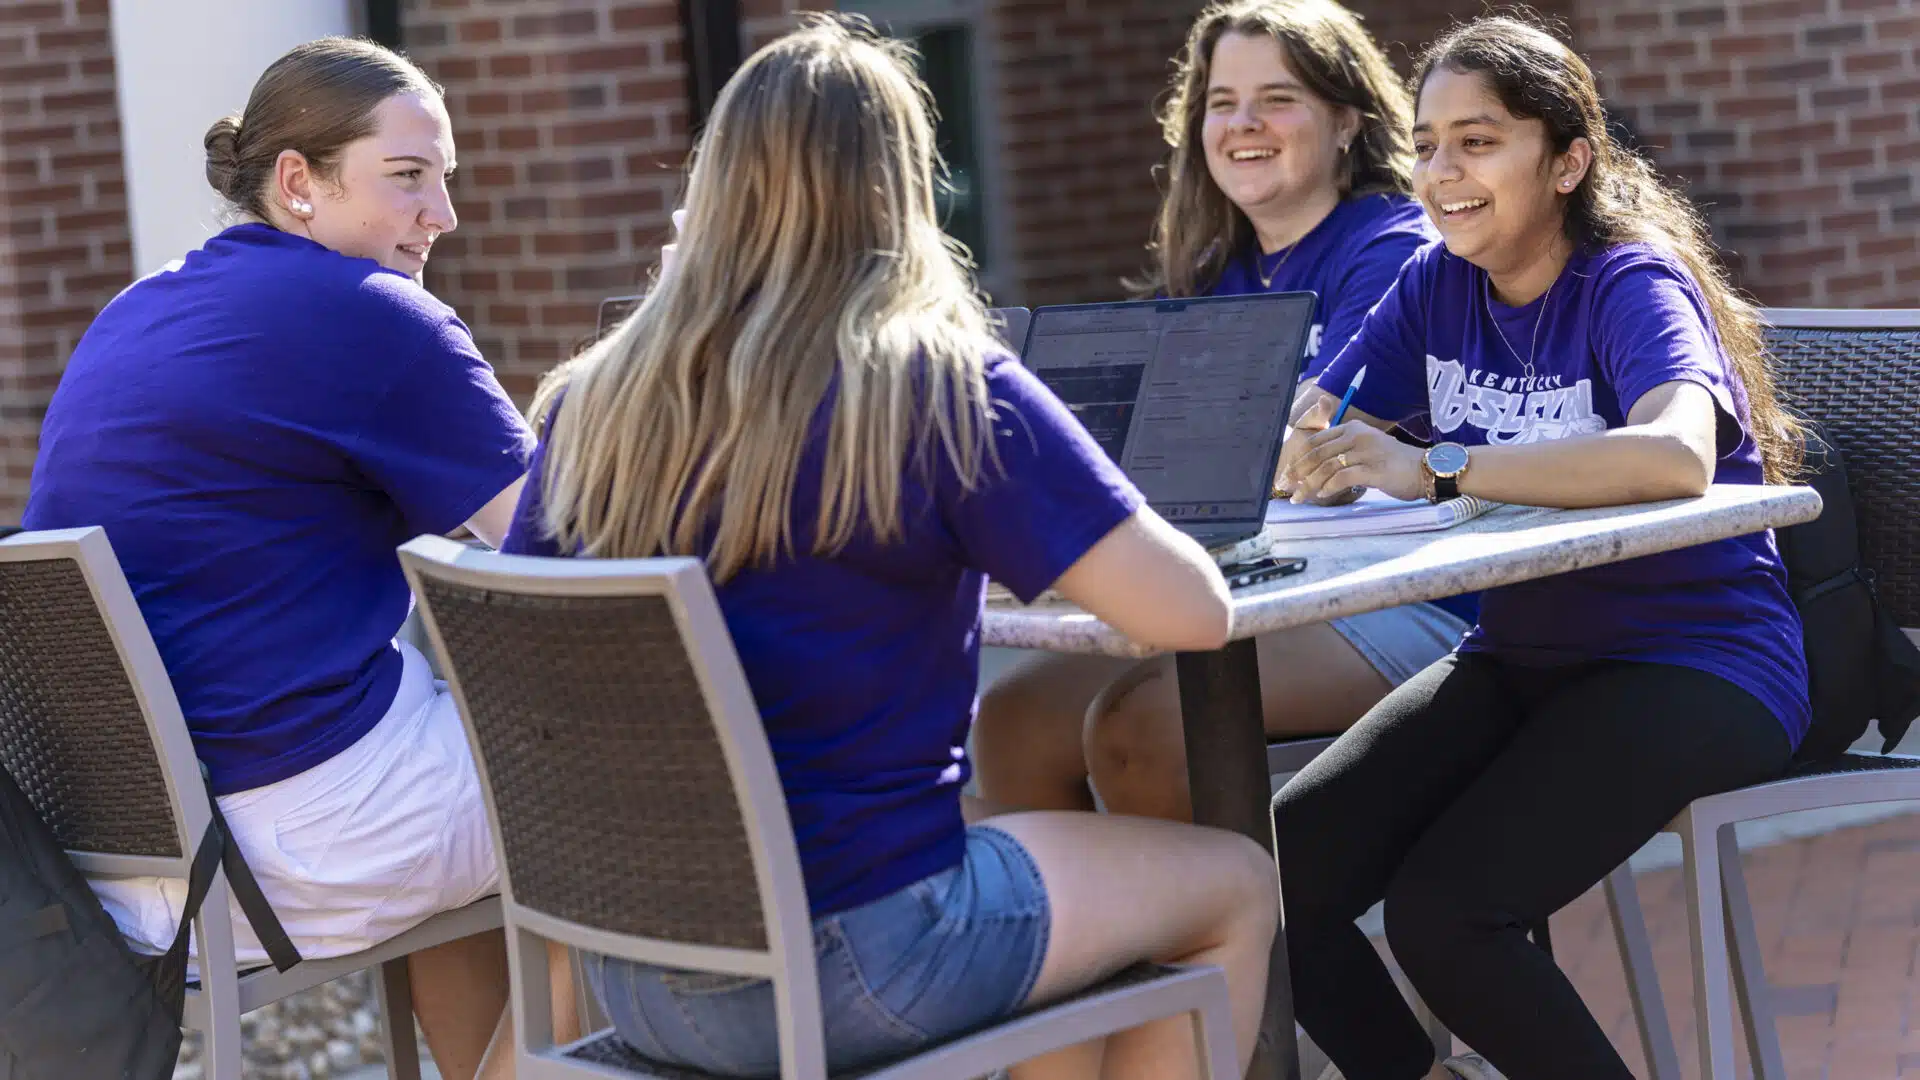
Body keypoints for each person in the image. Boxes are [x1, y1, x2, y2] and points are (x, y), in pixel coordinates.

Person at [502, 17, 1279, 1080]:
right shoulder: (934, 386)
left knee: (1059, 905)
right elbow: (1193, 614)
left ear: (718, 185)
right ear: (902, 186)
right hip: (855, 961)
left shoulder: (593, 401)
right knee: (1234, 883)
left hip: (636, 980)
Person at [1269, 16, 1808, 1080]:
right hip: (1524, 655)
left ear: (1567, 161)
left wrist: (1443, 466)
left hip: (1698, 660)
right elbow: (1318, 421)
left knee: (1446, 913)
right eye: (1425, 143)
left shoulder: (1627, 282)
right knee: (1279, 877)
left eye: (1478, 141)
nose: (1440, 172)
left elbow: (1672, 458)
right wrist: (1307, 440)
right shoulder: (1436, 282)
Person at [24, 38, 561, 1080]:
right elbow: (572, 555)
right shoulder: (371, 315)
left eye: (446, 178)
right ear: (297, 183)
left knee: (469, 760)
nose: (441, 215)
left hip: (126, 869)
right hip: (296, 844)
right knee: (647, 797)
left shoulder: (137, 312)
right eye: (407, 178)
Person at [972, 0, 1467, 824]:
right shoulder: (1218, 269)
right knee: (1013, 723)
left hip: (1398, 600)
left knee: (1146, 729)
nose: (1244, 124)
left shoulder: (1391, 247)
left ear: (1346, 120)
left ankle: (1240, 949)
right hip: (1258, 594)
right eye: (1220, 102)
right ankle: (1117, 953)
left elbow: (1300, 443)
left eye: (1277, 98)